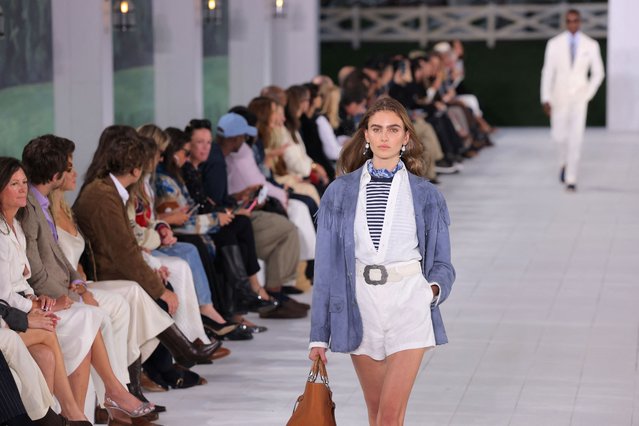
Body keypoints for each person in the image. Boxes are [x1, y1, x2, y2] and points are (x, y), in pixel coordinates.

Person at [308, 97, 455, 425]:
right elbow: (327, 269)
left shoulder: (426, 194)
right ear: (366, 136)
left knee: (388, 416)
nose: (385, 136)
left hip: (409, 303)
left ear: (406, 137)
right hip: (361, 306)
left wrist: (428, 292)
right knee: (376, 415)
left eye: (393, 129)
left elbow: (443, 264)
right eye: (377, 129)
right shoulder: (339, 193)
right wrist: (319, 335)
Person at [541, 8, 604, 192]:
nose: (573, 24)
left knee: (576, 138)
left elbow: (598, 73)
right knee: (559, 136)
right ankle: (563, 163)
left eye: (575, 20)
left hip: (579, 98)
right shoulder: (554, 44)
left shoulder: (590, 45)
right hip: (558, 96)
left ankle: (571, 178)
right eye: (569, 20)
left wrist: (588, 94)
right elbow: (548, 72)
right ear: (566, 23)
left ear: (580, 22)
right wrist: (545, 97)